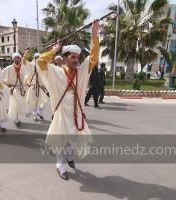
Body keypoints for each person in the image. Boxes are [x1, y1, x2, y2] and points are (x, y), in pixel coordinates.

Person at [36, 20, 99, 180]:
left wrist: (94, 35)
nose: (76, 59)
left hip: (77, 113)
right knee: (61, 141)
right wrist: (53, 50)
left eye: (78, 57)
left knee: (75, 141)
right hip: (62, 114)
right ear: (65, 58)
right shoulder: (55, 72)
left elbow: (92, 59)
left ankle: (69, 157)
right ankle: (60, 165)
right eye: (73, 57)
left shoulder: (81, 71)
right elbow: (40, 62)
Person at [2, 53, 27, 127]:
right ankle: (16, 119)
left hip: (21, 88)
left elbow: (26, 77)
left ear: (20, 59)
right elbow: (1, 77)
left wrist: (26, 85)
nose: (17, 59)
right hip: (14, 89)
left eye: (18, 58)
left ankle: (17, 118)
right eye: (15, 58)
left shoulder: (23, 67)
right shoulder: (8, 68)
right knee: (15, 104)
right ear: (13, 59)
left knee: (21, 104)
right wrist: (8, 85)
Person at [22, 51, 48, 121]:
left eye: (38, 57)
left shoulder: (44, 66)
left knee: (43, 102)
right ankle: (35, 116)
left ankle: (40, 113)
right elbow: (24, 61)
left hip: (41, 88)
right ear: (34, 58)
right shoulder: (31, 65)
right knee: (34, 103)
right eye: (36, 58)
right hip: (33, 87)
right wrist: (26, 53)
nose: (37, 59)